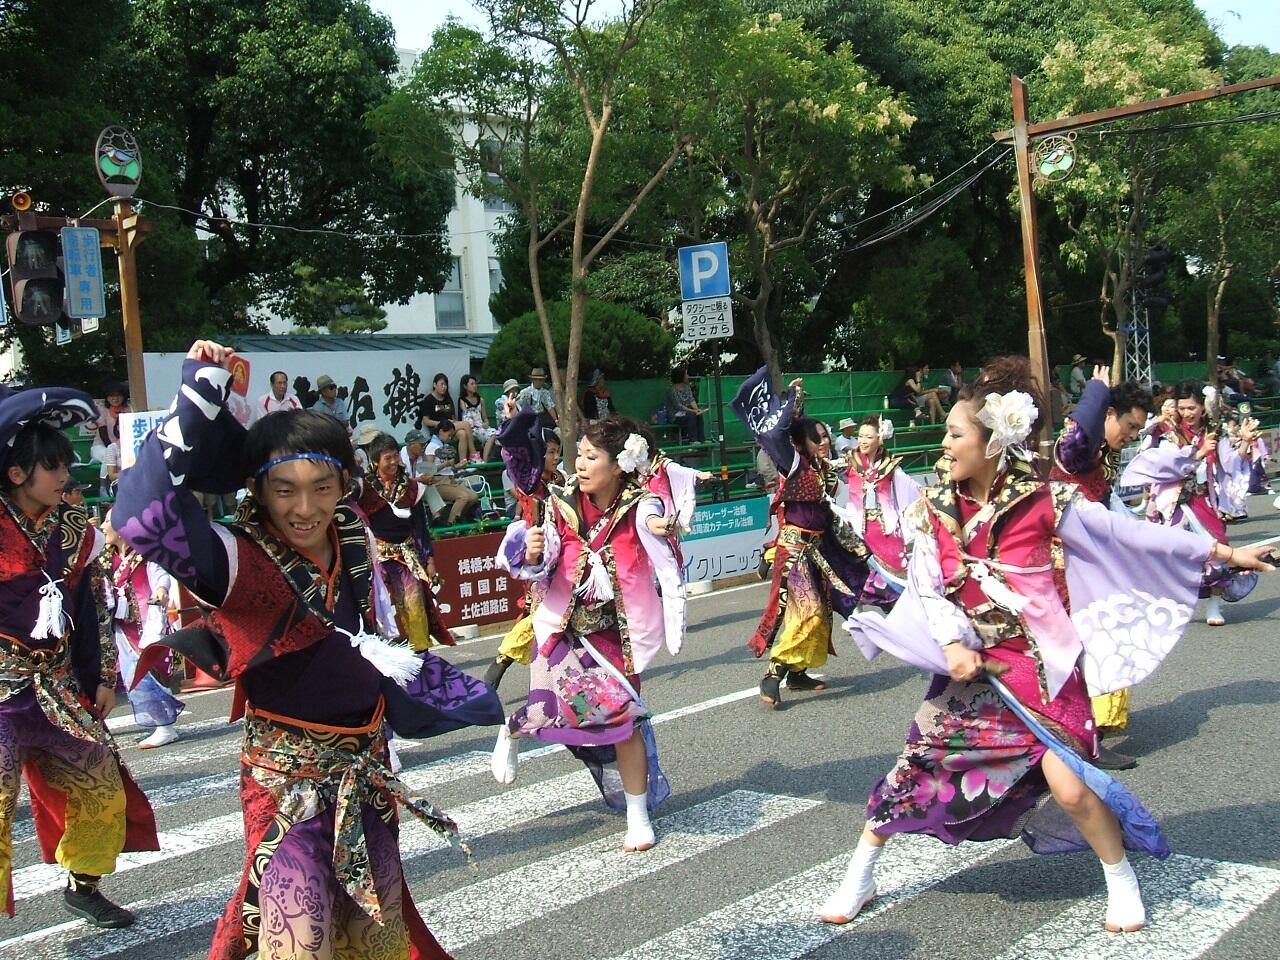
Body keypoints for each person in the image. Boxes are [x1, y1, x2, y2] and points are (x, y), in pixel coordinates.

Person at [821, 356, 1274, 934]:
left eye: (955, 434)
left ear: (992, 444)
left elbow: (1130, 533)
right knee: (914, 772)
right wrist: (951, 643)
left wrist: (1228, 554)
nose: (944, 444)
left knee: (1070, 786)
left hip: (1044, 667)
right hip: (973, 670)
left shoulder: (1045, 502)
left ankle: (1121, 879)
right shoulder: (931, 510)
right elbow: (928, 587)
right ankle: (860, 874)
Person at [113, 339, 503, 960]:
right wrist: (198, 391)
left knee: (375, 941)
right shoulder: (233, 556)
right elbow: (137, 514)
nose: (304, 508)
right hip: (285, 785)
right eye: (284, 489)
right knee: (296, 941)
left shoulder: (352, 528)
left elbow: (397, 529)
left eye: (321, 487)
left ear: (343, 485)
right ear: (256, 491)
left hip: (367, 774)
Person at [0, 384, 158, 928]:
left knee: (101, 787)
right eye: (53, 466)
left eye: (66, 464)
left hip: (56, 690)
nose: (66, 475)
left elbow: (91, 609)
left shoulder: (75, 531)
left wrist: (104, 675)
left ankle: (82, 883)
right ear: (17, 474)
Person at [491, 416, 685, 853]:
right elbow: (538, 564)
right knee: (545, 715)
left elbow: (656, 519)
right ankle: (512, 729)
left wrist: (660, 528)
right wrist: (532, 551)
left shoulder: (639, 505)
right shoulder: (559, 504)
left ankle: (637, 817)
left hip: (616, 636)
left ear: (619, 465)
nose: (579, 463)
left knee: (625, 720)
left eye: (591, 456)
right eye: (578, 454)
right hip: (562, 633)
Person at [731, 367, 870, 708]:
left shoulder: (823, 469)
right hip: (796, 550)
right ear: (801, 442)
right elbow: (779, 435)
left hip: (820, 551)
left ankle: (797, 672)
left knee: (821, 612)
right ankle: (773, 674)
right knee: (804, 612)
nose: (824, 441)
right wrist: (791, 402)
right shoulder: (793, 464)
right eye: (816, 437)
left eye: (825, 436)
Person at [1048, 366, 1153, 770]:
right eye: (1127, 425)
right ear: (1107, 414)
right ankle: (1079, 740)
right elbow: (1079, 431)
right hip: (1061, 575)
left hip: (1085, 573)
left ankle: (1078, 736)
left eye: (1137, 430)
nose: (1130, 435)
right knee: (1075, 656)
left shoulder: (1100, 461)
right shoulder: (1076, 454)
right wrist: (1095, 391)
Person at [1121, 379, 1260, 626]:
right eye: (1183, 408)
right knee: (1171, 554)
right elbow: (1159, 463)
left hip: (1203, 498)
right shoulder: (1167, 430)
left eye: (1192, 408)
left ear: (1202, 407)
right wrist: (1195, 453)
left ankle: (1214, 605)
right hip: (1170, 502)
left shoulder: (1213, 430)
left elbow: (1228, 463)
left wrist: (1246, 441)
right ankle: (1171, 608)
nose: (1187, 413)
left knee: (1216, 548)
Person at [485, 411, 565, 690]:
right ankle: (501, 663)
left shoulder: (561, 481)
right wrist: (513, 419)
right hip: (540, 562)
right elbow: (512, 452)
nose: (555, 457)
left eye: (557, 452)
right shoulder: (530, 485)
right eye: (550, 452)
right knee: (539, 617)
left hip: (565, 559)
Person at [356, 432, 456, 652]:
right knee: (378, 608)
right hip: (377, 559)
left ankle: (420, 656)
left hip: (407, 557)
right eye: (387, 458)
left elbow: (421, 526)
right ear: (375, 462)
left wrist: (429, 560)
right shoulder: (366, 490)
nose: (393, 462)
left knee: (415, 606)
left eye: (394, 456)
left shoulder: (411, 488)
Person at [100, 512, 184, 748]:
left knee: (150, 674)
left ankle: (165, 727)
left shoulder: (146, 553)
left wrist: (161, 591)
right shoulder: (110, 559)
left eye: (107, 521)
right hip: (123, 628)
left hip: (148, 623)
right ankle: (161, 724)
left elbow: (160, 576)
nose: (104, 526)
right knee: (131, 677)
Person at [842, 415, 920, 609]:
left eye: (868, 437)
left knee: (899, 571)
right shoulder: (849, 463)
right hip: (858, 525)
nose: (863, 441)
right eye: (860, 436)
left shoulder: (890, 467)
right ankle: (855, 614)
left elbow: (910, 488)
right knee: (852, 570)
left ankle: (905, 611)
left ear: (879, 438)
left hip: (885, 527)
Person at [426, 420, 480, 524]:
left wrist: (458, 466)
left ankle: (459, 517)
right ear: (441, 431)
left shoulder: (445, 447)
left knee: (473, 496)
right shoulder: (431, 446)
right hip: (438, 482)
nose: (450, 438)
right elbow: (429, 469)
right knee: (463, 496)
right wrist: (446, 464)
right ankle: (451, 524)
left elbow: (450, 469)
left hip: (451, 480)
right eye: (449, 435)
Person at [457, 374, 497, 463]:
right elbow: (466, 417)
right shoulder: (462, 400)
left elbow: (485, 418)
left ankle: (485, 460)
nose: (475, 386)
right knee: (489, 434)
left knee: (494, 434)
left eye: (475, 384)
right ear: (465, 386)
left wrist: (486, 423)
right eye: (472, 384)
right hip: (470, 428)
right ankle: (480, 459)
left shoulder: (481, 400)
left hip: (481, 427)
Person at [667, 366, 705, 443]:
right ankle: (693, 441)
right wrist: (692, 411)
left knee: (698, 415)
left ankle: (702, 440)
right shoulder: (672, 390)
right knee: (691, 415)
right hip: (675, 416)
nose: (688, 376)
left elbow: (691, 399)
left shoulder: (687, 387)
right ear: (681, 376)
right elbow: (678, 406)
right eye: (686, 374)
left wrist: (696, 409)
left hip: (686, 413)